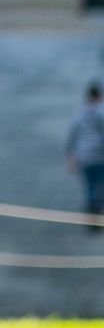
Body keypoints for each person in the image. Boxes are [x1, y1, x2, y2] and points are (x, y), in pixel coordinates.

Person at [65, 81, 104, 233]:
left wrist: (70, 158)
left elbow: (72, 137)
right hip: (101, 157)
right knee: (100, 189)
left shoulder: (79, 114)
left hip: (85, 158)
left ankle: (91, 222)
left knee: (89, 189)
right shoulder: (102, 111)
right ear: (99, 96)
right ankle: (98, 220)